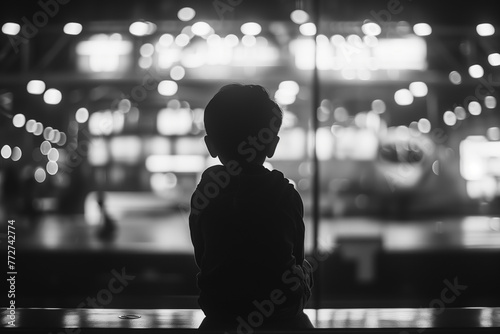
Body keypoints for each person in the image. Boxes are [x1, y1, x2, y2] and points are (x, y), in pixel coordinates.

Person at [189, 84, 314, 331]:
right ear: (272, 145)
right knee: (306, 268)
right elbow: (296, 257)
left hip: (219, 306)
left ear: (210, 145)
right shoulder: (285, 194)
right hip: (280, 309)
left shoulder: (205, 193)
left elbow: (202, 257)